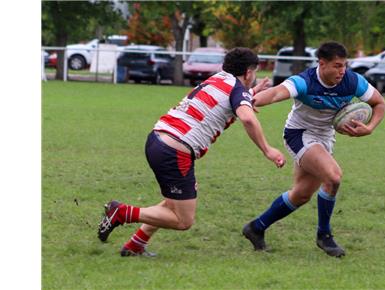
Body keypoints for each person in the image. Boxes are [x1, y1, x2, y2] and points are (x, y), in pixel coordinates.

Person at [97, 47, 286, 257]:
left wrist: (250, 93)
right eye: (254, 73)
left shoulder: (219, 79)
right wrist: (267, 149)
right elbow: (248, 118)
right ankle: (122, 212)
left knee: (176, 199)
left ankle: (135, 245)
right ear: (249, 72)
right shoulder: (236, 89)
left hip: (158, 139)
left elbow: (231, 98)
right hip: (174, 151)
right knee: (183, 220)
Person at [242, 41, 385, 257]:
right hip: (299, 134)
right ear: (322, 63)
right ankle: (324, 235)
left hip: (325, 137)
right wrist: (251, 101)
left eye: (344, 65)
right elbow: (275, 93)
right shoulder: (305, 81)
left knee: (301, 194)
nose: (342, 71)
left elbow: (380, 103)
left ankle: (256, 227)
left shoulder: (352, 81)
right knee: (333, 177)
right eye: (337, 66)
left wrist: (370, 128)